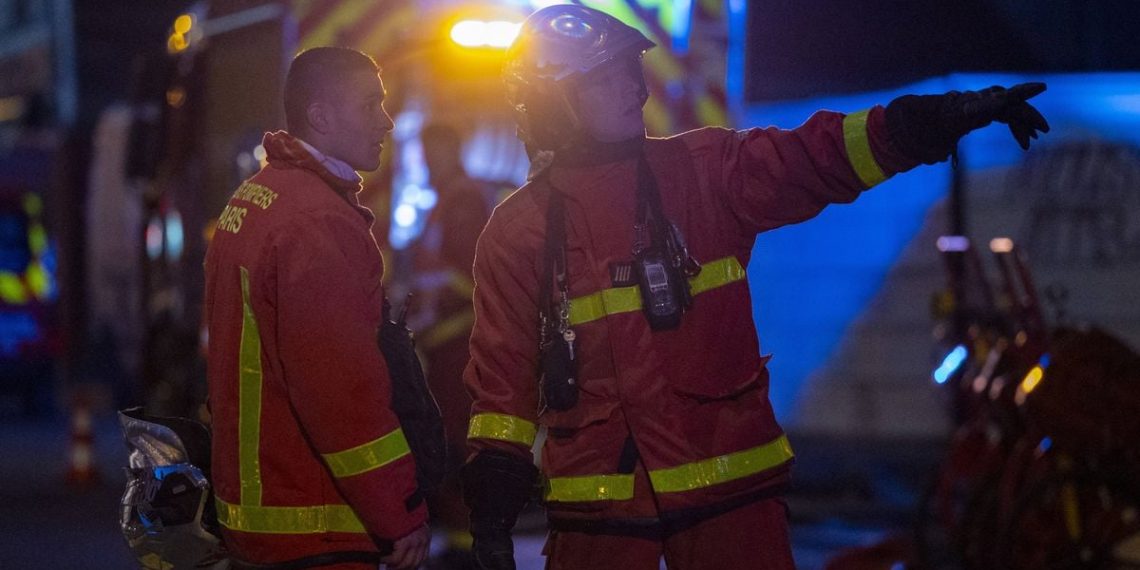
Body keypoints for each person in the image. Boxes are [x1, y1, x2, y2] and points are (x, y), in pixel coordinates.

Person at [459, 5, 1049, 570]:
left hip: (730, 498)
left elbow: (816, 157)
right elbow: (503, 380)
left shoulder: (706, 171)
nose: (635, 90)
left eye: (631, 72)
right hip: (601, 511)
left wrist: (929, 121)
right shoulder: (517, 232)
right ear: (551, 101)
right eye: (607, 79)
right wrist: (493, 492)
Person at [204, 47, 430, 569]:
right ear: (321, 116)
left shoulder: (254, 198)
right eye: (370, 105)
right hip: (317, 524)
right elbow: (342, 392)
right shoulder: (319, 223)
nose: (387, 121)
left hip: (257, 517)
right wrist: (400, 510)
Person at [410, 123, 491, 569]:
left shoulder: (462, 201)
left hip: (458, 343)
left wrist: (429, 315)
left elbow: (466, 276)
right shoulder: (446, 201)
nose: (427, 162)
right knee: (445, 440)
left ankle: (465, 543)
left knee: (458, 443)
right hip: (441, 343)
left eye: (433, 153)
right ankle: (457, 536)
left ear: (452, 150)